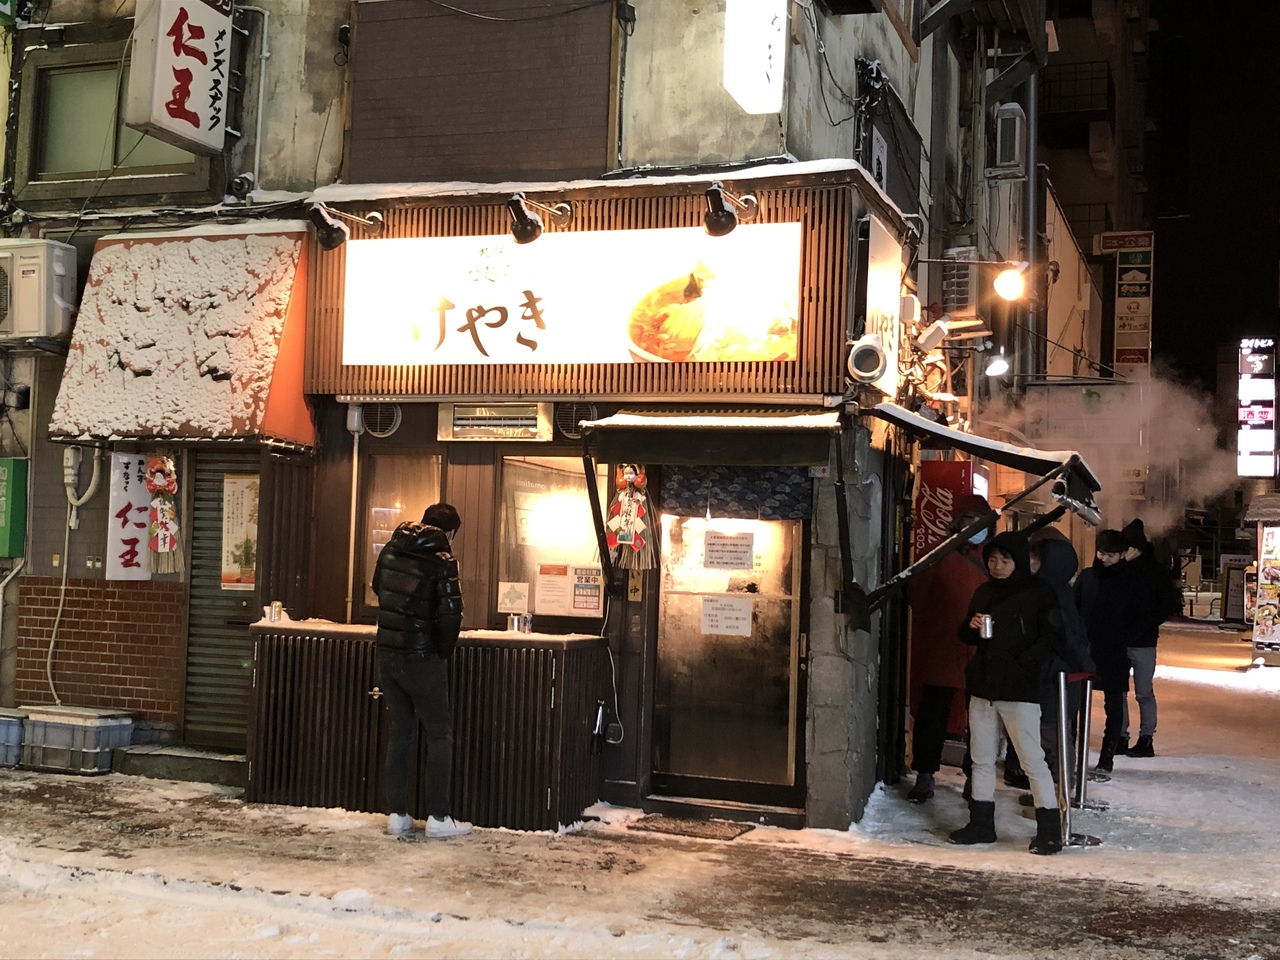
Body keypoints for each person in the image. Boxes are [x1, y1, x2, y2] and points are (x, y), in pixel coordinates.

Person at [949, 531, 1067, 855]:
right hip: (983, 687)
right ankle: (981, 824)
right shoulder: (984, 591)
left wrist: (1024, 663)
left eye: (1004, 560)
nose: (996, 565)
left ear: (1020, 562)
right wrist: (971, 626)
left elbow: (1053, 638)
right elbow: (965, 636)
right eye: (992, 559)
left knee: (1032, 760)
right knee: (981, 758)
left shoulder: (1039, 592)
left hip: (1020, 690)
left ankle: (1049, 831)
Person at [372, 502, 472, 840]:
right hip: (423, 658)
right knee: (439, 734)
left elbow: (378, 587)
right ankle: (438, 817)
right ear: (450, 532)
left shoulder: (391, 549)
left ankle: (397, 815)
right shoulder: (442, 561)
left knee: (400, 733)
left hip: (388, 654)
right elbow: (451, 614)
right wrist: (441, 651)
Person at [904, 494, 993, 804]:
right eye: (969, 519)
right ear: (958, 522)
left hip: (978, 651)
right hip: (941, 649)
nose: (975, 526)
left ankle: (975, 778)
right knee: (932, 717)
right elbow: (917, 597)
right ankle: (924, 774)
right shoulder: (937, 554)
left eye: (980, 521)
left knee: (979, 721)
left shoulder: (993, 557)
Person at [1073, 528, 1145, 775]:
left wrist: (1124, 638)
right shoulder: (1087, 577)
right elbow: (1074, 608)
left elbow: (1142, 615)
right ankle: (1069, 756)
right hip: (1083, 651)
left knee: (1114, 706)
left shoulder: (1131, 581)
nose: (1103, 558)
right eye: (1101, 553)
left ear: (1123, 554)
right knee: (1073, 705)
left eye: (1110, 555)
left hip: (1114, 652)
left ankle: (1107, 759)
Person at [1029, 530, 1096, 787]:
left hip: (1056, 675)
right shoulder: (1057, 589)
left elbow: (1066, 637)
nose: (1030, 563)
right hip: (1057, 674)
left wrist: (1085, 664)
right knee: (1053, 734)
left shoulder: (1051, 593)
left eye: (1035, 559)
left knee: (1052, 735)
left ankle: (1061, 792)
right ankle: (1056, 790)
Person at [1118, 518, 1176, 758]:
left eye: (1126, 548)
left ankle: (1145, 738)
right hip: (1123, 640)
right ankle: (1120, 736)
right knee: (1119, 690)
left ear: (1136, 547)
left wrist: (1147, 624)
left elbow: (1166, 605)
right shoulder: (1119, 570)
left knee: (1143, 692)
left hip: (1143, 641)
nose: (1122, 553)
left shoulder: (1155, 572)